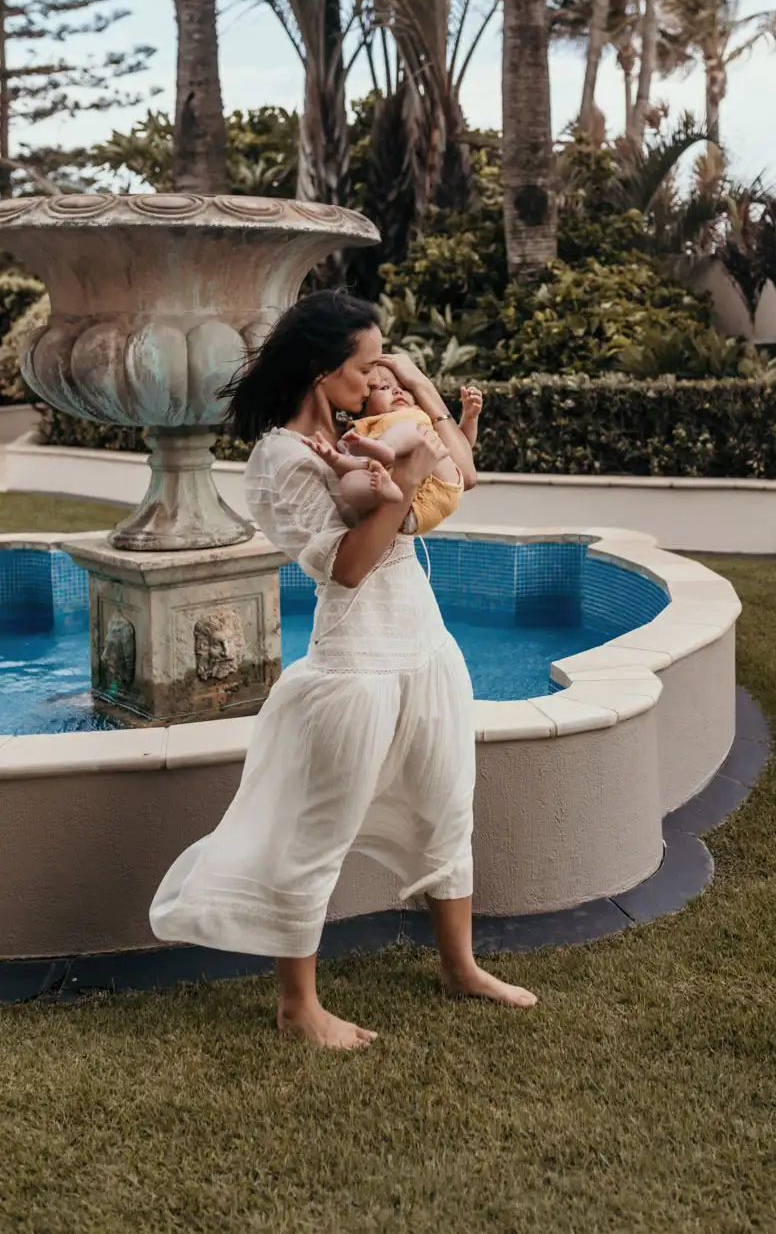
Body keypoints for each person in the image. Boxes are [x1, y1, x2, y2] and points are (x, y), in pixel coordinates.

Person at [148, 290, 536, 1050]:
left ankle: (460, 967)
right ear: (324, 372)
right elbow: (349, 567)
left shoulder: (367, 429)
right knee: (315, 835)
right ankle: (299, 1006)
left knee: (448, 808)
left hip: (426, 646)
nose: (375, 376)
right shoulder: (281, 461)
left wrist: (420, 396)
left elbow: (461, 477)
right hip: (356, 666)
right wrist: (406, 476)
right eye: (365, 366)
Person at [327, 368, 483, 534]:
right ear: (362, 407)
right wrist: (336, 461)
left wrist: (469, 418)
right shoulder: (360, 432)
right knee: (349, 484)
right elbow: (358, 466)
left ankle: (388, 449)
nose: (398, 391)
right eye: (385, 387)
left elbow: (461, 448)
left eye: (404, 388)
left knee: (409, 428)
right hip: (406, 512)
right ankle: (383, 491)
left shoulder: (417, 415)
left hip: (441, 483)